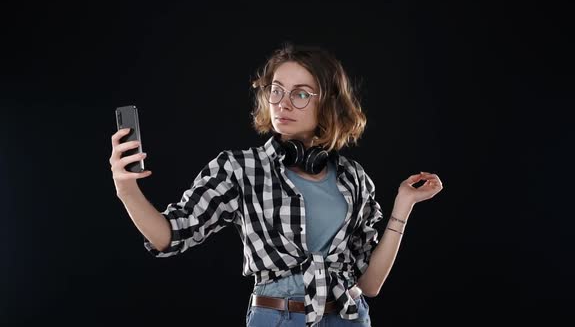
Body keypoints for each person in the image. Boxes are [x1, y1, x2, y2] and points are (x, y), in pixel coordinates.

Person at [109, 43, 443, 327]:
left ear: (328, 102)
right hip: (277, 317)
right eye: (276, 90)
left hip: (348, 318)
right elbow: (170, 236)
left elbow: (370, 284)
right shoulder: (241, 168)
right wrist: (127, 190)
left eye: (300, 94)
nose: (283, 103)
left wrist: (404, 204)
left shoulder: (354, 179)